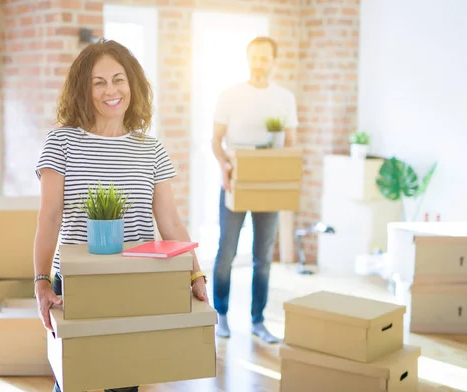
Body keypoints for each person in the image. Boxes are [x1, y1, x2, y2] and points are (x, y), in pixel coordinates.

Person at [33, 38, 209, 392]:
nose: (110, 90)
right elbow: (49, 217)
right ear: (84, 89)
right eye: (98, 82)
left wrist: (195, 273)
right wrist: (40, 282)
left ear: (133, 84)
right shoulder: (62, 142)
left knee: (125, 383)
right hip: (78, 286)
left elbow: (171, 222)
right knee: (75, 380)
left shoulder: (151, 149)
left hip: (136, 283)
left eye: (118, 79)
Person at [210, 36, 299, 344]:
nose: (259, 63)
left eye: (265, 58)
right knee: (227, 252)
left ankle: (258, 320)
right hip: (235, 183)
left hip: (268, 187)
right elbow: (215, 140)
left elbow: (290, 144)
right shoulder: (230, 95)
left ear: (274, 62)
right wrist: (225, 166)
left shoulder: (284, 98)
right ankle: (220, 315)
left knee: (263, 256)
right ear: (247, 59)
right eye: (255, 57)